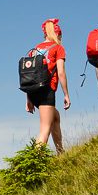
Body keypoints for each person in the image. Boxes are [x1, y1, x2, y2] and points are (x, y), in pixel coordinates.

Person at [25, 18, 70, 153]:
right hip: (46, 90)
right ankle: (35, 162)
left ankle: (60, 152)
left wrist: (28, 99)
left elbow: (28, 76)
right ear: (58, 34)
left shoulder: (34, 50)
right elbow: (61, 73)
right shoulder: (58, 48)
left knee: (54, 117)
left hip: (34, 92)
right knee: (45, 128)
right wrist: (66, 94)